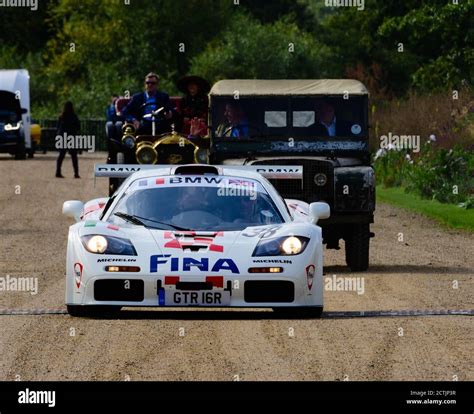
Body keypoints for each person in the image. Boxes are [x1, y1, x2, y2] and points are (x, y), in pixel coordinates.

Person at [56, 101, 80, 178]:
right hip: (71, 137)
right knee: (74, 157)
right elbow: (78, 127)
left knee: (61, 155)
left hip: (62, 137)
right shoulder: (74, 116)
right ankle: (76, 173)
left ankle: (58, 171)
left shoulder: (61, 116)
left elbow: (58, 127)